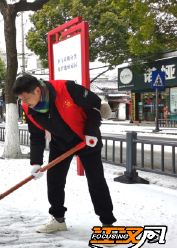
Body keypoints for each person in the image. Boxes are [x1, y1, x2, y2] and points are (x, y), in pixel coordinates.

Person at [12, 75, 116, 234]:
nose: (24, 103)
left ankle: (108, 224)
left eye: (26, 98)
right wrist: (35, 162)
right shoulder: (28, 108)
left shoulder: (67, 89)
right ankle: (58, 219)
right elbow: (36, 136)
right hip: (60, 142)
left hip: (87, 140)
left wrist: (90, 132)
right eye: (21, 99)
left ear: (38, 90)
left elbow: (95, 105)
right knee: (54, 180)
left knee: (96, 181)